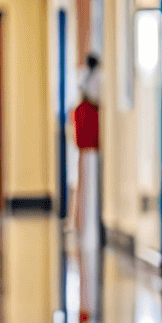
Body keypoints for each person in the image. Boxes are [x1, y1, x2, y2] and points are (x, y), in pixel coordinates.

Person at [70, 55, 101, 236]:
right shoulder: (91, 79)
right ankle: (79, 222)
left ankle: (79, 222)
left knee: (84, 179)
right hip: (87, 141)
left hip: (87, 141)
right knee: (84, 179)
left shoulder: (87, 78)